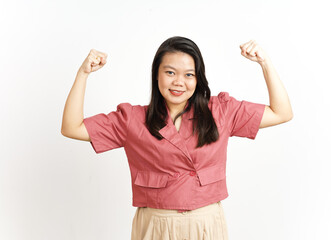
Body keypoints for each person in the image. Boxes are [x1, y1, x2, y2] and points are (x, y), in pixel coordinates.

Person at [61, 36, 293, 240]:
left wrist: (265, 63)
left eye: (188, 74)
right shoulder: (131, 119)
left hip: (206, 223)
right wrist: (83, 74)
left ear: (198, 78)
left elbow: (282, 112)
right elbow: (72, 127)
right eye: (170, 72)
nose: (179, 82)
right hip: (155, 224)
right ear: (157, 75)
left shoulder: (222, 111)